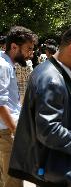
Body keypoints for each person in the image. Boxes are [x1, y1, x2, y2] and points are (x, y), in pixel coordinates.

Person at [8, 25, 71, 187]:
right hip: (56, 171)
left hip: (55, 167)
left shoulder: (56, 71)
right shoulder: (52, 78)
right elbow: (49, 131)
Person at [0, 26, 37, 187]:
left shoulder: (6, 63)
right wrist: (15, 130)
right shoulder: (4, 66)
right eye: (28, 49)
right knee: (13, 182)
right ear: (14, 46)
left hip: (7, 130)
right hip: (6, 132)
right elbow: (0, 104)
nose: (30, 53)